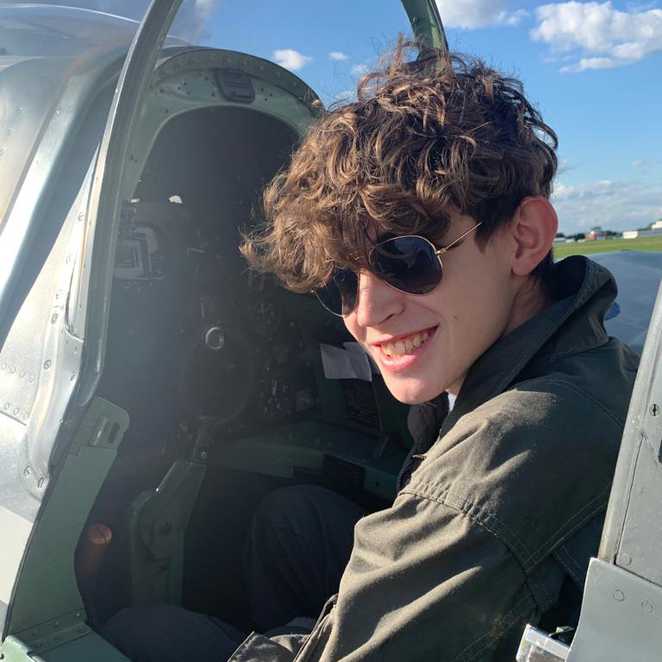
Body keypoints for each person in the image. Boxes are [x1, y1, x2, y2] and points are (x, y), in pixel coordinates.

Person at [104, 40, 638, 661]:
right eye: (341, 281)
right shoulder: (589, 356)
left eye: (406, 259)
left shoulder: (508, 452)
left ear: (524, 239)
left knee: (143, 633)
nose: (366, 312)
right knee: (293, 520)